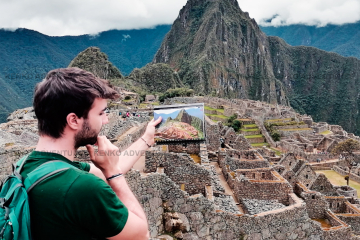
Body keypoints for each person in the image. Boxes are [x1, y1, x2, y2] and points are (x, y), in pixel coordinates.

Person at [23, 67, 162, 240]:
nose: (106, 120)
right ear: (74, 120)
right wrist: (114, 175)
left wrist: (146, 140)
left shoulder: (31, 166)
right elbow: (141, 234)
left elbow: (109, 171)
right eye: (101, 113)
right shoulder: (82, 188)